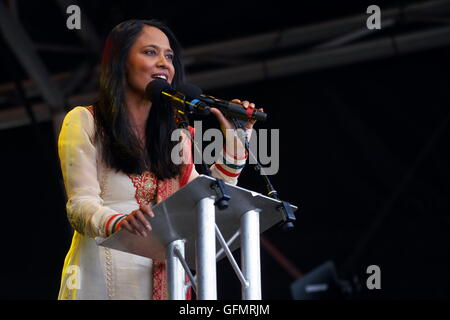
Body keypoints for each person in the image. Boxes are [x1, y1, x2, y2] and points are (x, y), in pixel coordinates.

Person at [57, 19, 262, 300]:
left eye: (169, 56)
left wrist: (236, 141)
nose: (164, 63)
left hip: (171, 281)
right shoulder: (85, 121)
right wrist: (118, 223)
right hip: (103, 275)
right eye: (150, 52)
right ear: (121, 62)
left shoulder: (178, 135)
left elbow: (205, 204)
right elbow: (80, 206)